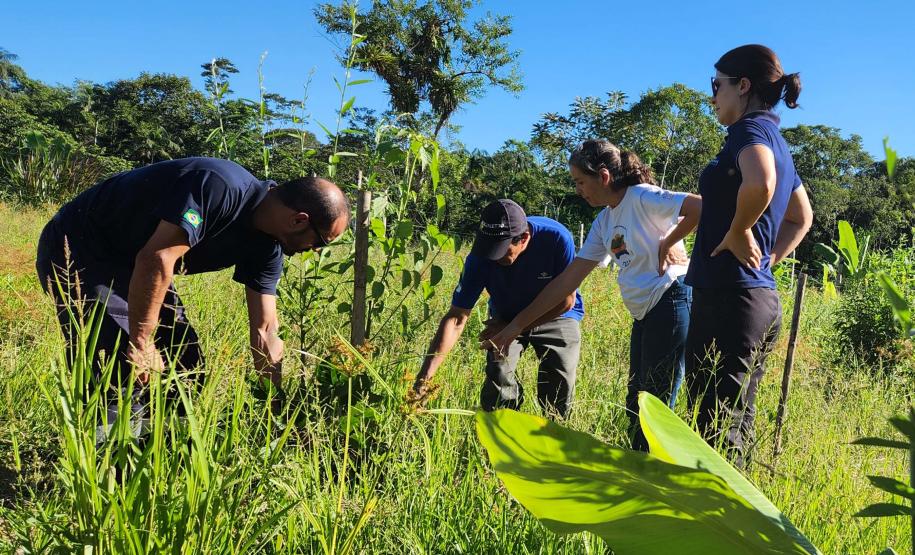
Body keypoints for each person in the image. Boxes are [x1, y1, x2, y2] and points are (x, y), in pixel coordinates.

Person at [36, 157, 350, 420]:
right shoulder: (218, 186)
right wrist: (142, 342)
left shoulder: (269, 247)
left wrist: (275, 406)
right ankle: (112, 470)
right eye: (321, 241)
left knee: (184, 363)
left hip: (136, 262)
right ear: (299, 220)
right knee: (118, 361)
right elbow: (157, 258)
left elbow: (266, 330)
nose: (316, 250)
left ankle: (165, 449)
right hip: (79, 244)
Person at [488, 141, 701, 450]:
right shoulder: (605, 221)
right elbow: (566, 282)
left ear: (603, 176)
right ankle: (637, 467)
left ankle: (651, 473)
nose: (578, 190)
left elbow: (700, 206)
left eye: (580, 182)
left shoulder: (641, 197)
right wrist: (514, 328)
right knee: (637, 397)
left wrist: (669, 242)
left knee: (655, 399)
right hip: (644, 310)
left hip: (669, 298)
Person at [685, 44, 813, 468]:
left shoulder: (749, 131)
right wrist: (768, 260)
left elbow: (760, 182)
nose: (713, 96)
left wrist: (739, 231)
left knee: (715, 424)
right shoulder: (776, 138)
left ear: (743, 86)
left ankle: (718, 522)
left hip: (731, 297)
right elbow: (801, 217)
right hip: (754, 298)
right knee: (733, 420)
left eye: (716, 85)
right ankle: (727, 520)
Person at [412, 199, 584, 418]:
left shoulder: (556, 238)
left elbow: (565, 301)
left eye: (502, 251)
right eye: (490, 250)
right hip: (506, 314)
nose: (494, 257)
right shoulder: (480, 257)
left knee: (559, 374)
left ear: (524, 238)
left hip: (556, 314)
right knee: (499, 372)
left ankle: (556, 432)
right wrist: (424, 379)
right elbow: (456, 318)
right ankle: (500, 431)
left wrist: (514, 327)